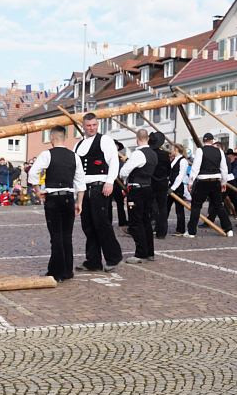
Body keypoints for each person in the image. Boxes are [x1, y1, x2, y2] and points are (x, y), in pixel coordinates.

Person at [28, 126, 85, 282]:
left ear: (52, 138)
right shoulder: (74, 156)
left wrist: (38, 190)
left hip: (53, 197)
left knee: (56, 236)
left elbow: (33, 173)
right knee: (67, 235)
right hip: (68, 198)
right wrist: (79, 202)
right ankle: (67, 270)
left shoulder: (47, 154)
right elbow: (80, 182)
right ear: (64, 138)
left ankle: (56, 272)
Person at [73, 113, 123, 272]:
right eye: (88, 125)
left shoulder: (105, 140)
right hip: (84, 189)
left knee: (102, 224)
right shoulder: (78, 145)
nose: (92, 128)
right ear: (83, 126)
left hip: (99, 187)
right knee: (88, 226)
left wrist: (110, 182)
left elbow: (114, 161)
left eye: (94, 125)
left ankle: (113, 257)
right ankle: (93, 260)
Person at [118, 129, 158, 263]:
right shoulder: (153, 153)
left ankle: (140, 253)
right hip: (148, 188)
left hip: (137, 190)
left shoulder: (138, 153)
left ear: (137, 139)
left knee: (136, 222)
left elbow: (124, 171)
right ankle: (149, 252)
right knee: (146, 221)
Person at [183, 134, 233, 238]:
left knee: (196, 206)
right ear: (212, 141)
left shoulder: (200, 150)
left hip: (203, 181)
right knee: (219, 205)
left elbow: (195, 167)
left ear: (204, 140)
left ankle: (191, 232)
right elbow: (224, 169)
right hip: (215, 181)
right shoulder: (219, 151)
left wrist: (190, 182)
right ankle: (228, 229)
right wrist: (224, 183)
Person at [148, 132, 172, 240]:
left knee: (151, 206)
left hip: (151, 183)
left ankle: (150, 228)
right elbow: (168, 170)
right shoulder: (165, 155)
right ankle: (162, 232)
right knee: (162, 208)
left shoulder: (148, 153)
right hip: (162, 183)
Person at [166, 146, 188, 236]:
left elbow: (180, 176)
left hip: (178, 188)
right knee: (165, 208)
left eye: (172, 149)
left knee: (179, 210)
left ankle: (180, 230)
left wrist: (173, 188)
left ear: (176, 150)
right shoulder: (174, 160)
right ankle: (160, 228)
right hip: (171, 186)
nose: (171, 151)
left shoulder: (183, 161)